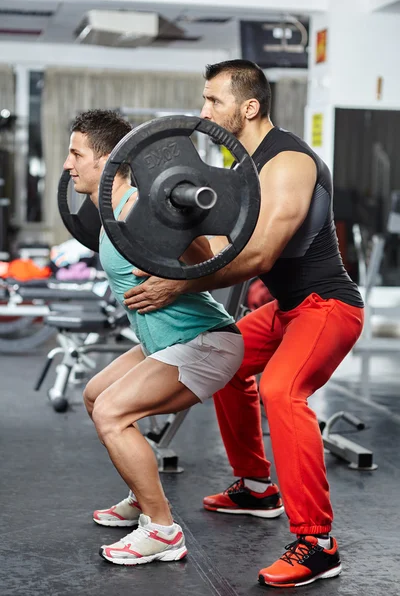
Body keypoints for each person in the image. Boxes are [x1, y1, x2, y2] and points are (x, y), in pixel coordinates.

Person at [117, 60, 365, 588]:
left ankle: (318, 543)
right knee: (228, 356)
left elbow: (259, 255)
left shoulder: (289, 161)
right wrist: (165, 256)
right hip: (285, 309)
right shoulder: (242, 170)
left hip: (327, 306)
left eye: (213, 101)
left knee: (282, 390)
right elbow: (217, 248)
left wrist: (177, 285)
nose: (203, 111)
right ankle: (256, 486)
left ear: (248, 107)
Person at [63, 109, 244, 566]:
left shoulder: (148, 210)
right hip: (165, 342)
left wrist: (176, 274)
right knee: (95, 395)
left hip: (205, 340)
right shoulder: (110, 213)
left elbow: (208, 262)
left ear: (106, 158)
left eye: (76, 154)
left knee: (111, 413)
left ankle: (163, 530)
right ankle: (142, 497)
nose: (68, 165)